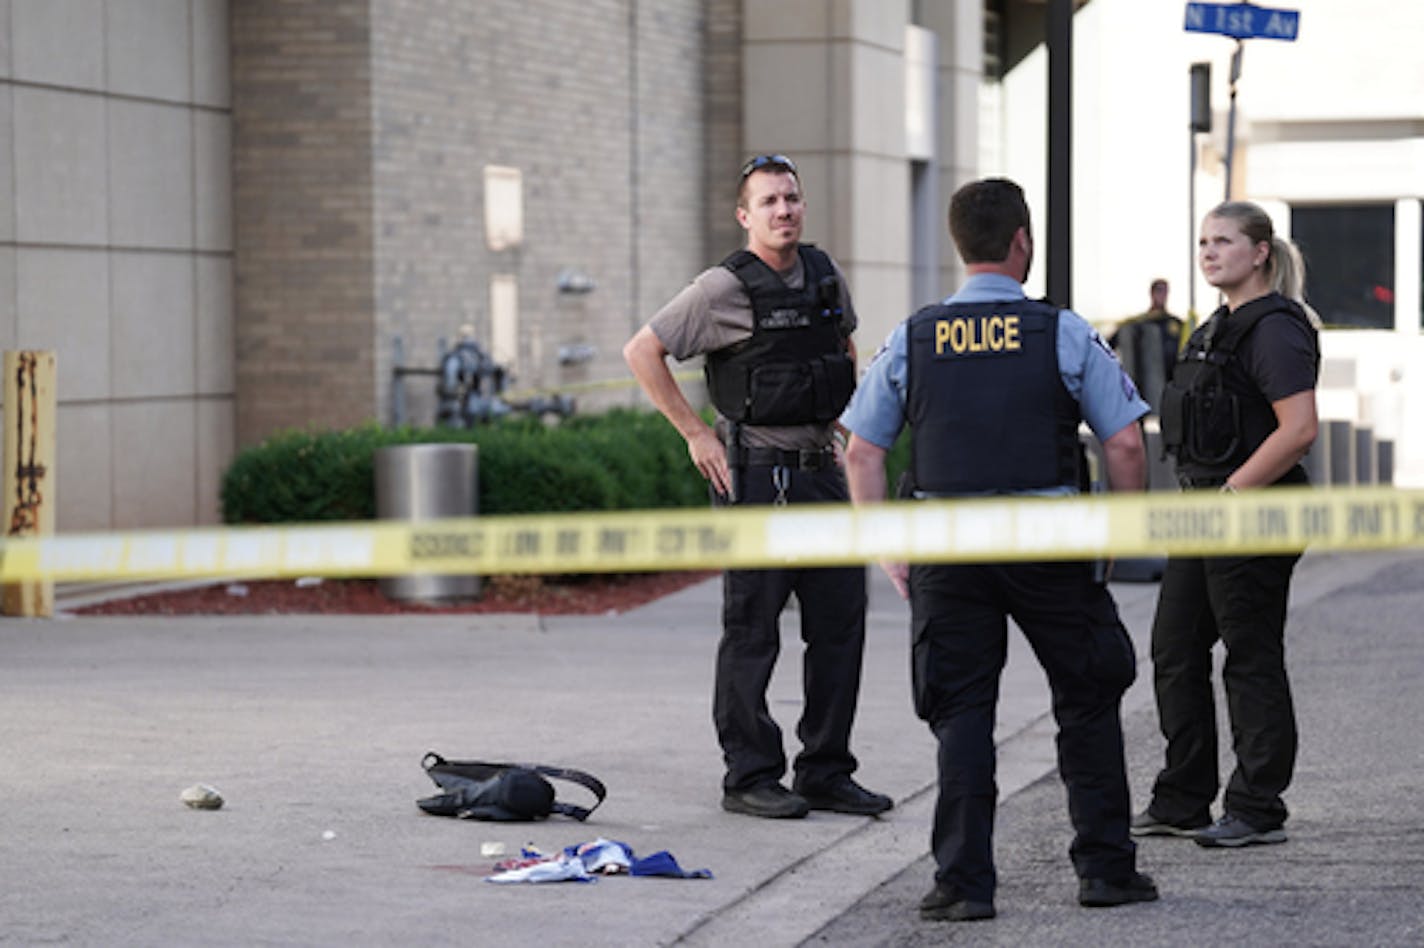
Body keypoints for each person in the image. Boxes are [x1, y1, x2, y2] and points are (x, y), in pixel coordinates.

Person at [841, 177, 1157, 921]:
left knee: (962, 716)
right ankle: (1106, 871)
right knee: (1085, 700)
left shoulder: (915, 337)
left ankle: (962, 885)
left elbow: (861, 453)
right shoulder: (1062, 331)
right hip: (1048, 544)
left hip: (947, 551)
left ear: (961, 245)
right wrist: (1118, 535)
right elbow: (1124, 444)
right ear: (1022, 242)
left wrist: (889, 549)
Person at [622, 154, 891, 821]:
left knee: (839, 627)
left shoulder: (824, 273)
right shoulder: (722, 288)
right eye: (769, 202)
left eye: (792, 199)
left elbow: (844, 349)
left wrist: (844, 422)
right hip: (757, 480)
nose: (784, 211)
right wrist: (696, 434)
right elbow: (642, 350)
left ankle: (825, 770)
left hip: (820, 475)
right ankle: (749, 773)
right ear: (746, 215)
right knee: (753, 631)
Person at [1135, 201, 1320, 848]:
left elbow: (1299, 430)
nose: (1209, 252)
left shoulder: (1274, 328)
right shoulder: (1218, 325)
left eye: (1224, 241)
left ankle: (1257, 806)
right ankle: (1183, 798)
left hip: (1251, 509)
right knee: (1175, 648)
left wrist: (1235, 492)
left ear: (1260, 252)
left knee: (1249, 654)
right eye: (1203, 242)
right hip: (1208, 508)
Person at [1108, 278, 1184, 414]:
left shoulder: (1175, 324)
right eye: (1158, 291)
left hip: (1167, 384)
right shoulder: (1136, 324)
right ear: (1152, 293)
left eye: (1164, 291)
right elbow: (1108, 347)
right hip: (1139, 382)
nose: (1162, 295)